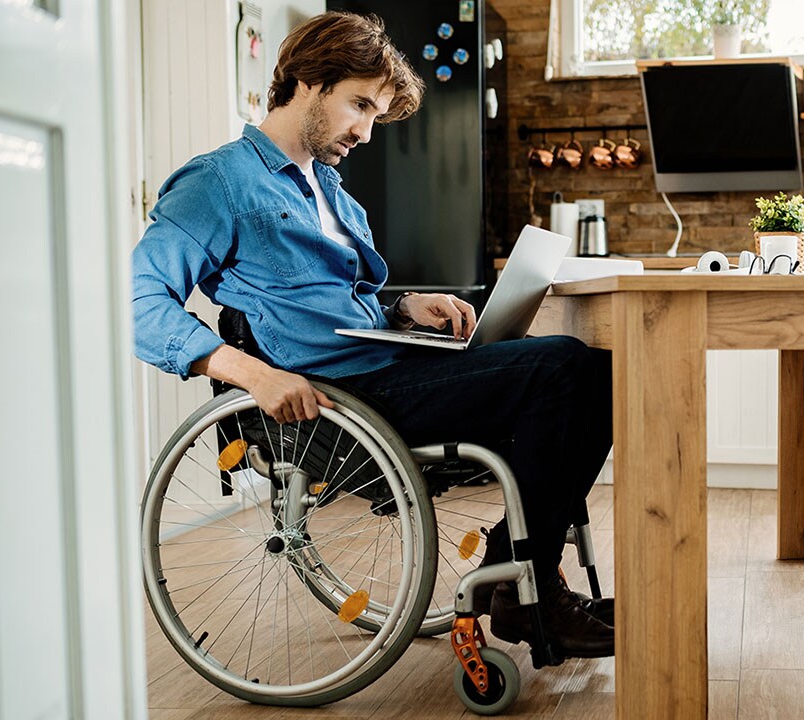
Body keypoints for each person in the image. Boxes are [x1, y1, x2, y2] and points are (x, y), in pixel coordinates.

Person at [131, 11, 613, 658]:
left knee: (595, 370)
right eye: (358, 105)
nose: (365, 131)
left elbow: (333, 305)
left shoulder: (330, 192)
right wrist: (253, 374)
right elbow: (138, 303)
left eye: (376, 113)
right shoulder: (218, 184)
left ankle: (519, 574)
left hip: (382, 368)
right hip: (342, 398)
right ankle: (525, 588)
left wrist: (406, 308)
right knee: (565, 369)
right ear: (305, 80)